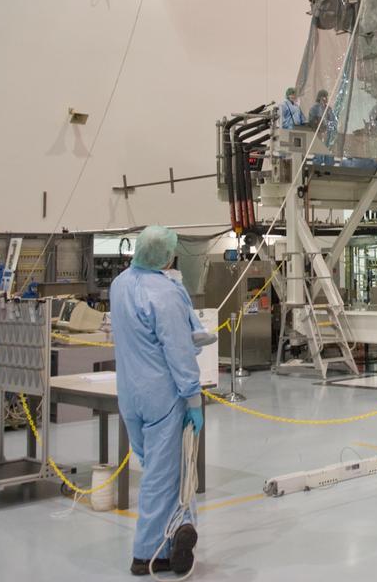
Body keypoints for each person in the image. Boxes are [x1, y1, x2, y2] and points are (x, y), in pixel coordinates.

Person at [110, 226, 203, 577]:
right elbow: (178, 350)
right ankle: (148, 553)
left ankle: (178, 531)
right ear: (168, 256)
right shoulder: (165, 293)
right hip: (163, 395)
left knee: (162, 471)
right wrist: (193, 397)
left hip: (130, 393)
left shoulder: (119, 285)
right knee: (165, 477)